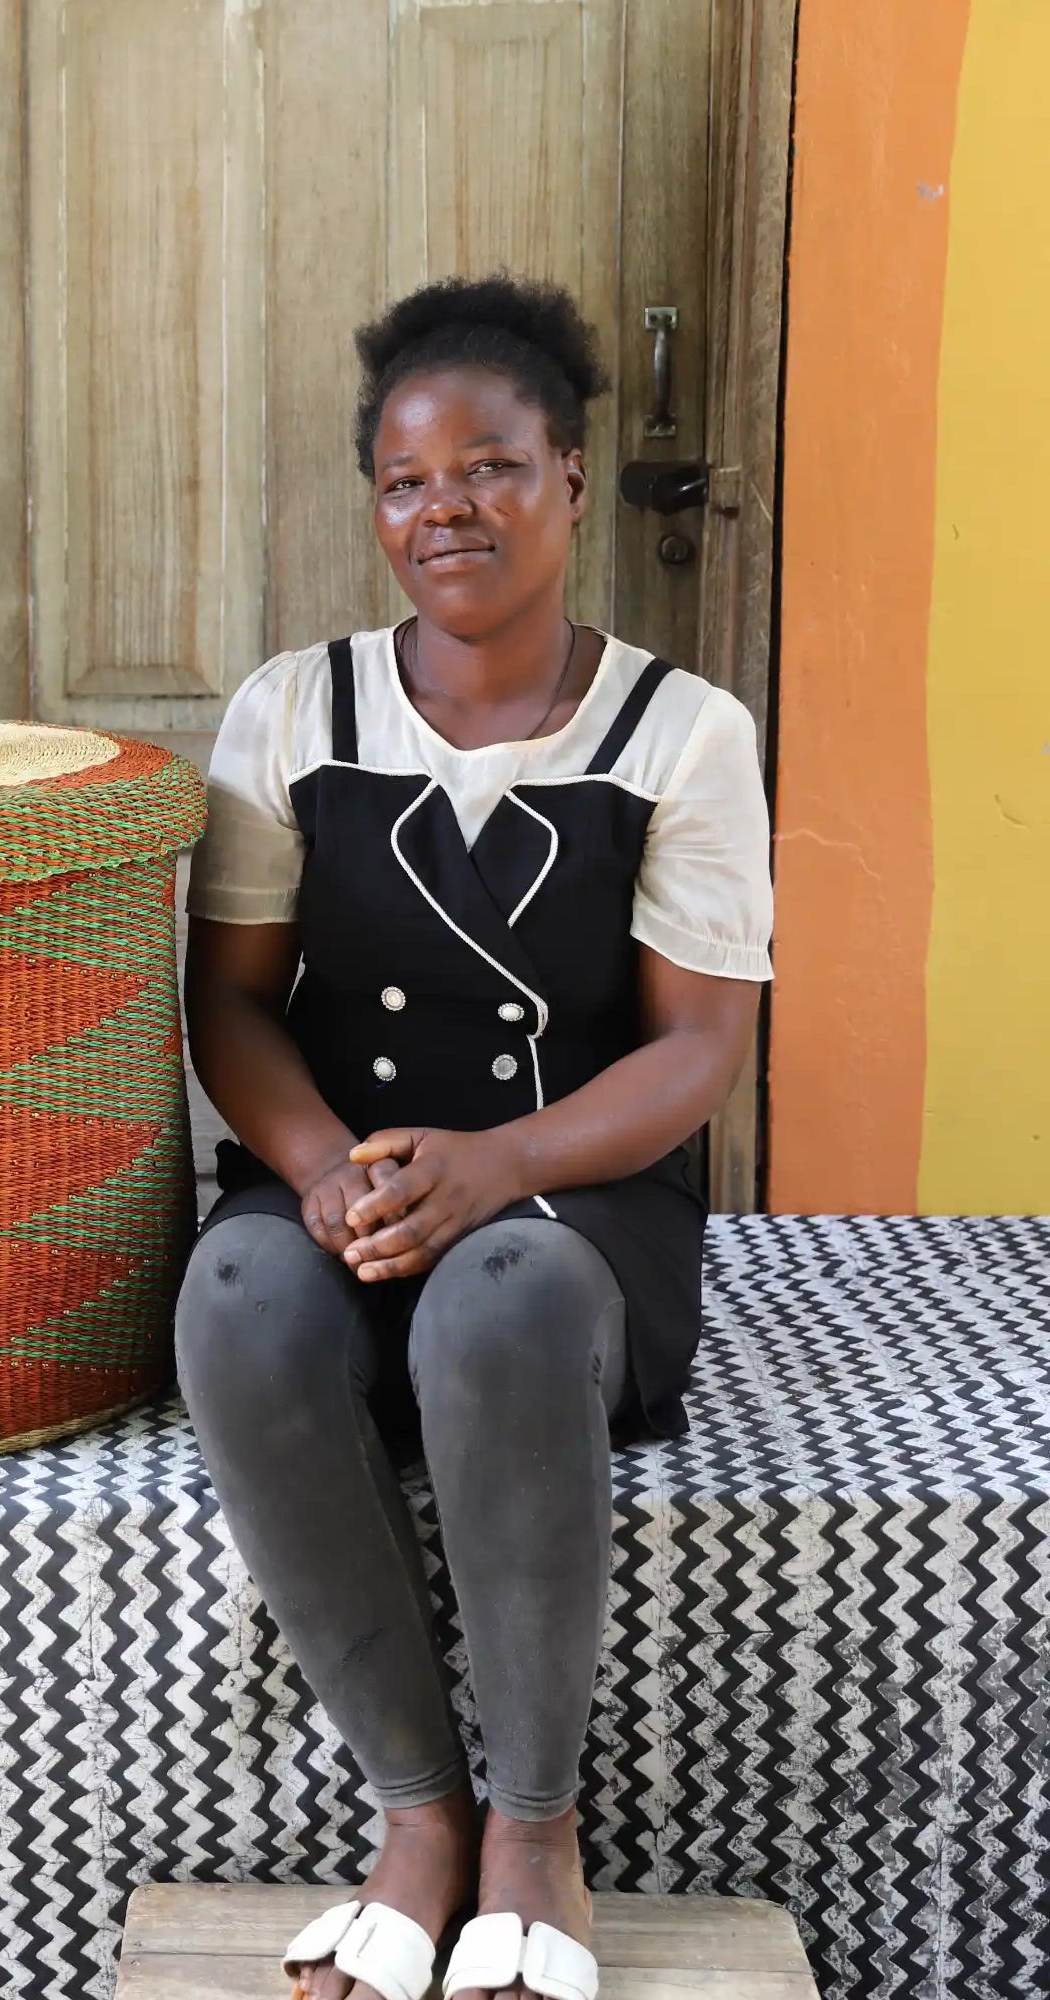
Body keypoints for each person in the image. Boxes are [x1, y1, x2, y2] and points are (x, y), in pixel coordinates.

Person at [173, 275, 773, 2000]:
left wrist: (498, 1167)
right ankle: (418, 1816)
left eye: (492, 467)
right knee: (236, 1303)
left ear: (571, 477)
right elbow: (233, 1003)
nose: (449, 509)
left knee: (504, 1301)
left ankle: (532, 1831)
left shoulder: (682, 734)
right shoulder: (296, 710)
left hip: (572, 1203)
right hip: (345, 1182)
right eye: (407, 482)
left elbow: (700, 1048)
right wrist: (318, 1170)